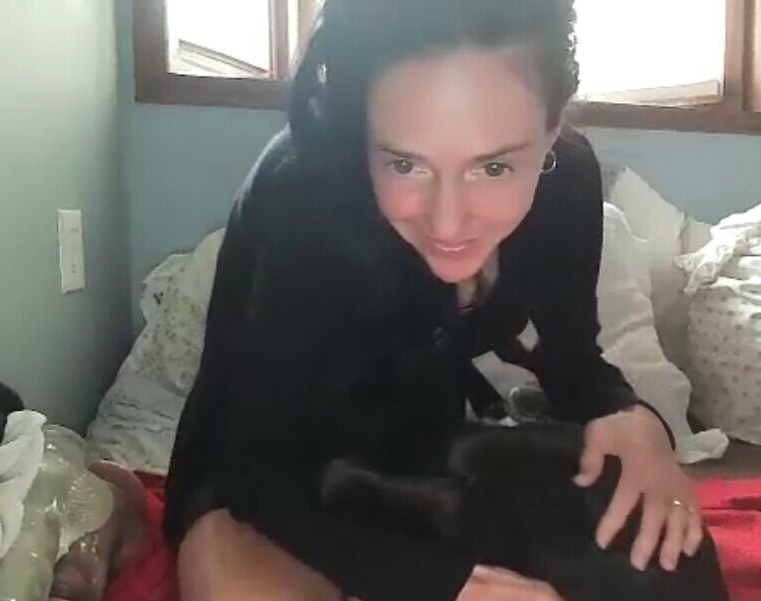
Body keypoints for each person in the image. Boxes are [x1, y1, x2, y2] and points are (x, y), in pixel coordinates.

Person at [163, 1, 702, 600]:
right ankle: (122, 501)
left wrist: (635, 420)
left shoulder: (566, 183)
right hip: (267, 483)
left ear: (553, 129)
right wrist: (442, 584)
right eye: (404, 163)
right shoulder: (303, 198)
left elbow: (575, 368)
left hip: (417, 464)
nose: (448, 222)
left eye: (493, 167)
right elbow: (255, 467)